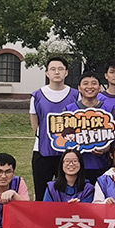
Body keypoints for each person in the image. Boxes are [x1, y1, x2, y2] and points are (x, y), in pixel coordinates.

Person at [30, 56, 80, 199]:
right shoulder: (37, 95)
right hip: (42, 151)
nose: (56, 72)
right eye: (53, 69)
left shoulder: (76, 95)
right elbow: (35, 121)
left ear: (66, 72)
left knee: (66, 193)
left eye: (60, 69)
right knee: (41, 192)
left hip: (68, 152)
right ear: (47, 73)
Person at [66, 70, 110, 183]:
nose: (90, 87)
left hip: (102, 166)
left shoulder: (109, 111)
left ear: (99, 88)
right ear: (79, 88)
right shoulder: (68, 110)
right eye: (85, 83)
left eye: (94, 83)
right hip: (75, 167)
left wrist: (105, 148)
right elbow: (62, 137)